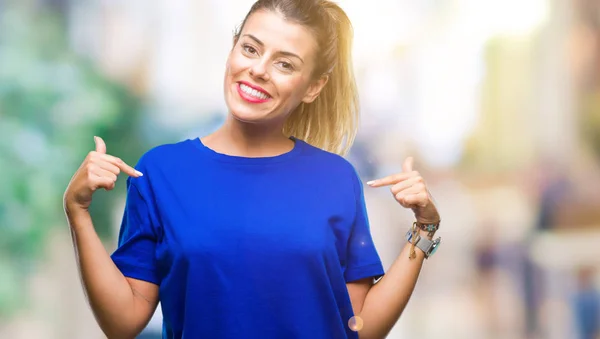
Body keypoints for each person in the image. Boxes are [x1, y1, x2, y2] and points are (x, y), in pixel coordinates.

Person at [63, 1, 442, 338]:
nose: (258, 70)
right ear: (232, 49)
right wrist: (78, 213)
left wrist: (423, 231)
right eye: (250, 48)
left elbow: (360, 326)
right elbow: (123, 322)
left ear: (313, 86)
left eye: (284, 63)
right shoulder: (161, 172)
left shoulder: (336, 179)